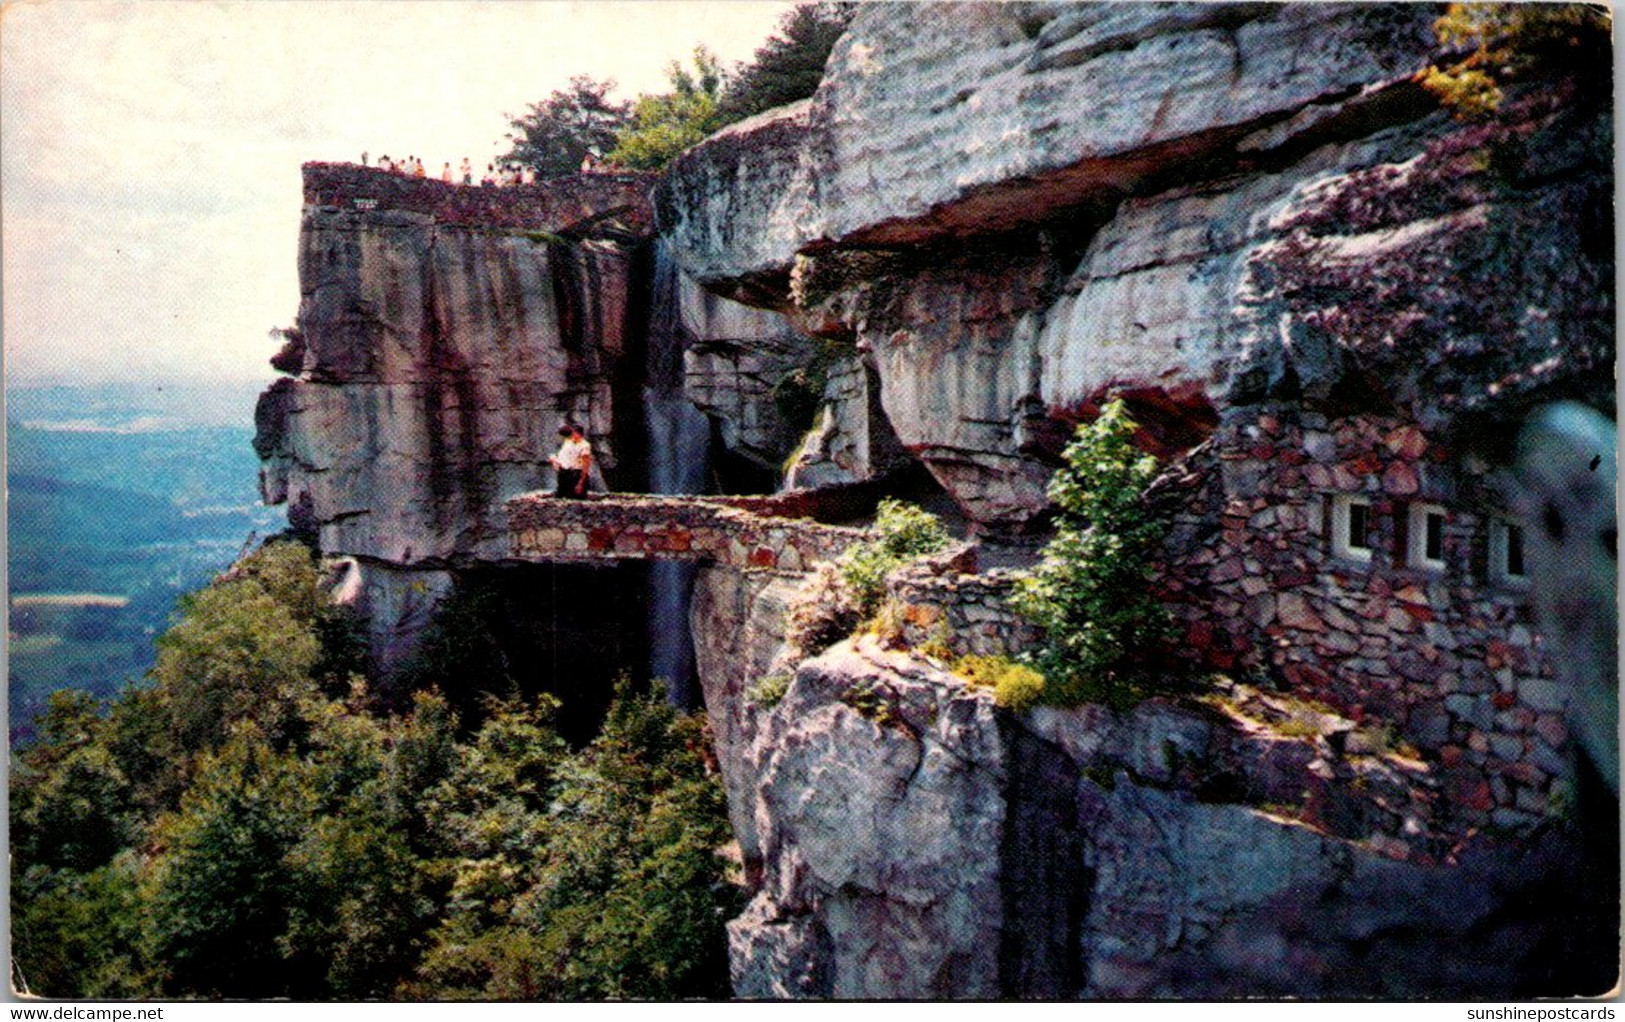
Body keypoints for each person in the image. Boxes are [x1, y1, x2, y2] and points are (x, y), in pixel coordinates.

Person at [549, 424, 593, 498]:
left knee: (574, 496)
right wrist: (555, 460)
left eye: (573, 433)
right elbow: (563, 459)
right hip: (565, 472)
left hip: (576, 473)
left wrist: (581, 483)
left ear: (578, 434)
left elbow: (586, 465)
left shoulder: (584, 445)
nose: (571, 435)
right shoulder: (568, 442)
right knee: (560, 495)